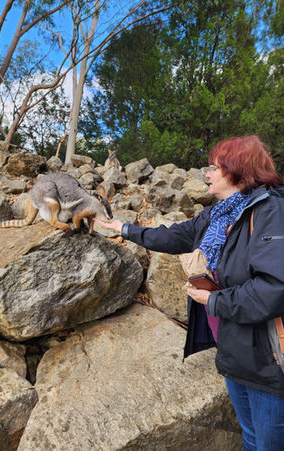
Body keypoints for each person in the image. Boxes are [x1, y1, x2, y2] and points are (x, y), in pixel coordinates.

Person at [95, 135, 284, 450]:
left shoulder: (272, 212)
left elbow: (274, 287)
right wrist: (124, 229)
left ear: (238, 171)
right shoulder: (218, 215)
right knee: (250, 438)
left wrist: (213, 300)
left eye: (214, 168)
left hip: (269, 361)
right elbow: (174, 237)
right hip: (234, 353)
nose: (206, 174)